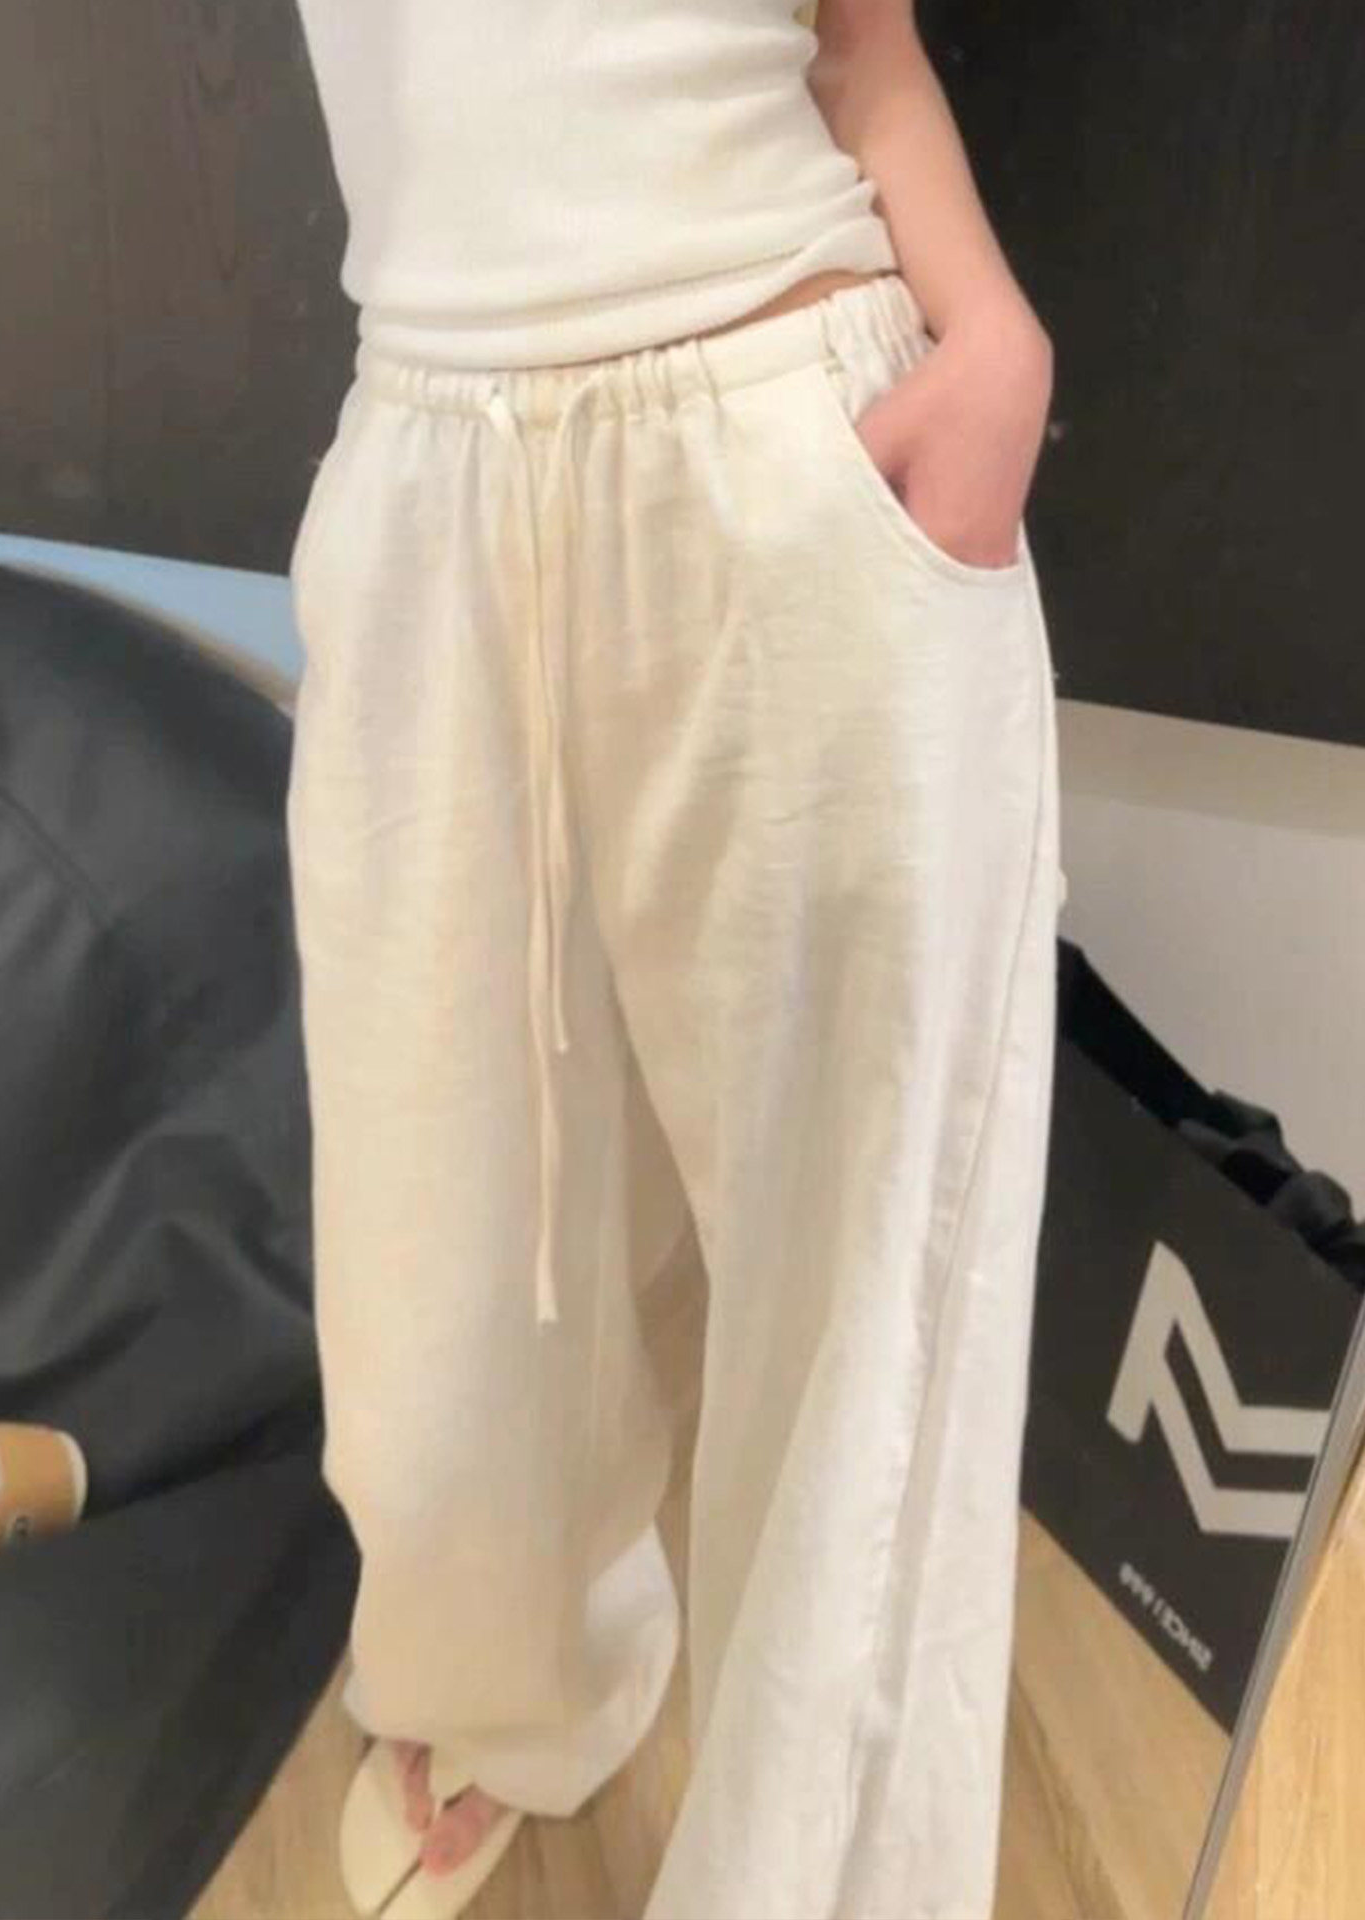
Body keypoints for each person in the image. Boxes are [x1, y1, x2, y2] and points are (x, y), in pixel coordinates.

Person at [284, 0, 1063, 1915]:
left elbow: (861, 43)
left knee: (858, 1317)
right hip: (428, 462)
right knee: (438, 1244)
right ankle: (506, 1684)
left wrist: (995, 338)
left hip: (796, 439)